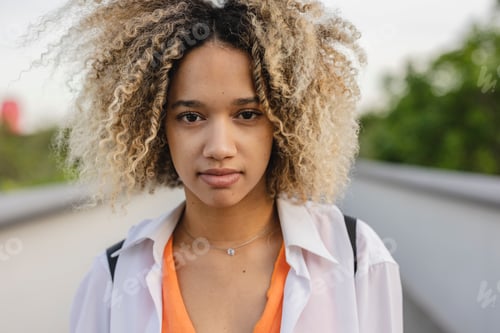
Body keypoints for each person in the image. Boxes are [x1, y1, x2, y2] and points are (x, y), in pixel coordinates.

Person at [50, 0, 403, 332]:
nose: (219, 147)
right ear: (156, 127)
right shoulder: (112, 277)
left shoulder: (356, 257)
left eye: (247, 115)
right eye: (191, 116)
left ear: (284, 124)